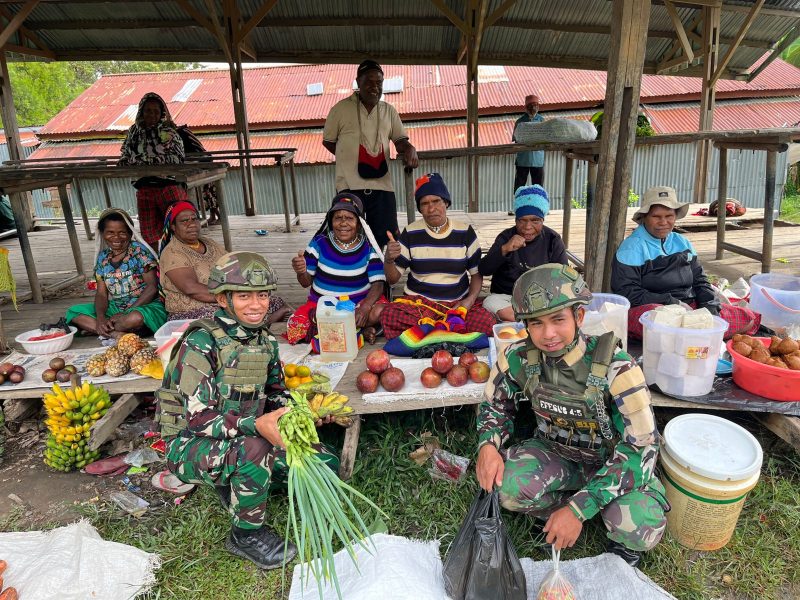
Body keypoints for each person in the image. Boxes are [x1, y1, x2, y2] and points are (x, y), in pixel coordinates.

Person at [476, 264, 668, 567]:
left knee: (640, 526)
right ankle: (559, 515)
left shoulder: (618, 368)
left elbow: (642, 449)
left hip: (612, 463)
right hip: (557, 454)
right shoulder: (517, 357)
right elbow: (495, 404)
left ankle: (592, 519)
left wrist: (579, 508)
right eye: (536, 323)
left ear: (579, 316)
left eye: (558, 319)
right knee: (507, 490)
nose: (548, 334)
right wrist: (488, 444)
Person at [157, 252, 339, 570]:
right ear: (223, 299)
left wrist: (299, 414)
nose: (256, 305)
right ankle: (245, 535)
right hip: (190, 444)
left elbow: (275, 394)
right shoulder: (200, 342)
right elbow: (197, 419)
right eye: (244, 296)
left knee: (324, 462)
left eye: (263, 295)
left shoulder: (263, 340)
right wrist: (257, 426)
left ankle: (236, 483)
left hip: (238, 433)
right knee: (255, 449)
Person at [611, 186, 760, 340]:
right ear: (644, 217)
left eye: (669, 216)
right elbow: (626, 292)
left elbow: (700, 280)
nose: (663, 222)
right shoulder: (632, 247)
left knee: (748, 318)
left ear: (675, 216)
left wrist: (709, 306)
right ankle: (695, 337)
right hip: (650, 309)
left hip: (689, 306)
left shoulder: (682, 242)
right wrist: (669, 301)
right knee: (661, 323)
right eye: (656, 216)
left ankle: (690, 337)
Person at [381, 172, 494, 340]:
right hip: (419, 305)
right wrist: (389, 259)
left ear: (446, 202)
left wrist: (469, 300)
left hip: (456, 303)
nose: (431, 208)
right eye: (424, 203)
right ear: (420, 208)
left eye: (436, 201)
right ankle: (448, 332)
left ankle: (429, 333)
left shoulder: (464, 232)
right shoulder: (410, 233)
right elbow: (392, 279)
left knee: (486, 322)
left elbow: (476, 274)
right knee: (390, 315)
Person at [322, 59, 419, 249]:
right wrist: (350, 157)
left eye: (379, 82)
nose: (375, 87)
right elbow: (328, 141)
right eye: (369, 82)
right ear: (358, 82)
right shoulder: (340, 109)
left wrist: (409, 148)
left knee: (386, 239)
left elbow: (400, 140)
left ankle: (381, 269)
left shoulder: (389, 111)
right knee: (347, 238)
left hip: (382, 187)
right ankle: (351, 268)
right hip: (349, 186)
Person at [159, 201, 291, 323]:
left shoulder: (209, 243)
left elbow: (234, 264)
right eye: (184, 221)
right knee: (226, 317)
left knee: (275, 302)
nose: (191, 224)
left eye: (194, 219)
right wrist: (232, 298)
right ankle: (264, 322)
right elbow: (192, 289)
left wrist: (250, 290)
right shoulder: (172, 252)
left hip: (223, 300)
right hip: (190, 311)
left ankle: (261, 321)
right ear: (173, 227)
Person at [287, 192, 388, 346]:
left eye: (349, 218)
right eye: (338, 218)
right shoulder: (319, 243)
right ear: (331, 221)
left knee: (381, 311)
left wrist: (365, 307)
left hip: (357, 305)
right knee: (296, 326)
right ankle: (358, 332)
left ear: (359, 223)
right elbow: (305, 282)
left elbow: (378, 284)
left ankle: (342, 330)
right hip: (323, 306)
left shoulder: (368, 247)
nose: (343, 223)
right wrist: (301, 271)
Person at [66, 208, 167, 338]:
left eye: (122, 232)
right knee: (74, 312)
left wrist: (126, 312)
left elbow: (152, 288)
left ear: (130, 233)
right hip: (117, 307)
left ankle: (99, 329)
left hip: (145, 305)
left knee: (135, 318)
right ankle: (115, 333)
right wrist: (101, 318)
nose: (116, 237)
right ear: (102, 233)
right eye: (110, 232)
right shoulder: (103, 258)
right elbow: (101, 294)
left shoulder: (139, 252)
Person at [480, 185, 568, 321]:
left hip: (541, 299)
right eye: (522, 220)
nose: (527, 227)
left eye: (535, 220)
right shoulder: (505, 237)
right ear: (516, 220)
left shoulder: (553, 239)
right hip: (508, 299)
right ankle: (536, 321)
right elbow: (484, 269)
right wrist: (505, 249)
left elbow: (564, 276)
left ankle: (528, 321)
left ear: (542, 220)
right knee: (490, 302)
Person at [118, 91, 188, 249]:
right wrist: (126, 161)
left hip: (168, 186)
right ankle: (156, 260)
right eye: (148, 110)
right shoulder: (134, 132)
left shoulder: (168, 132)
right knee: (148, 232)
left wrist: (144, 161)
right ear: (141, 111)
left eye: (156, 111)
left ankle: (179, 258)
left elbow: (177, 158)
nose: (152, 114)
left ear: (162, 113)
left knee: (178, 227)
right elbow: (125, 154)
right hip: (144, 186)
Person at [510, 94, 544, 214]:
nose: (533, 107)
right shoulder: (520, 122)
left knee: (538, 186)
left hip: (538, 159)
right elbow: (515, 139)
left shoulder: (542, 120)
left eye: (536, 105)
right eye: (531, 105)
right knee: (520, 186)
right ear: (526, 107)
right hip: (523, 158)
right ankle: (517, 208)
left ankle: (539, 208)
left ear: (538, 106)